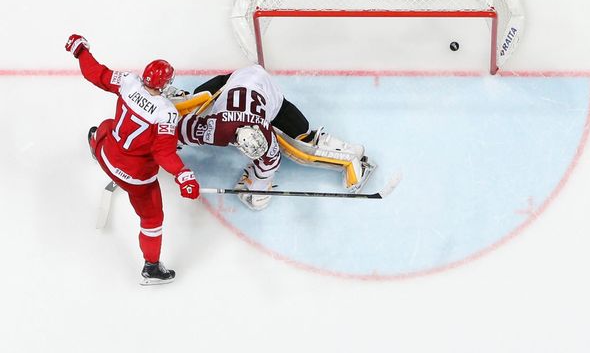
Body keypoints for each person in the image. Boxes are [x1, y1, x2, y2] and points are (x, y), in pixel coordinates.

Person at [65, 34, 201, 285]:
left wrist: (81, 51)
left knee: (106, 126)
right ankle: (151, 268)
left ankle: (93, 147)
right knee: (152, 219)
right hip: (135, 178)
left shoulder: (128, 82)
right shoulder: (167, 113)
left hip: (107, 155)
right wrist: (183, 174)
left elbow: (96, 73)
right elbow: (163, 153)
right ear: (164, 83)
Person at [176, 64, 374, 211]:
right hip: (236, 79)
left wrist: (257, 187)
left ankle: (345, 154)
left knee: (301, 138)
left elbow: (276, 162)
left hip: (265, 88)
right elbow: (182, 128)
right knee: (195, 98)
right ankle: (339, 149)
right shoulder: (219, 128)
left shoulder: (265, 135)